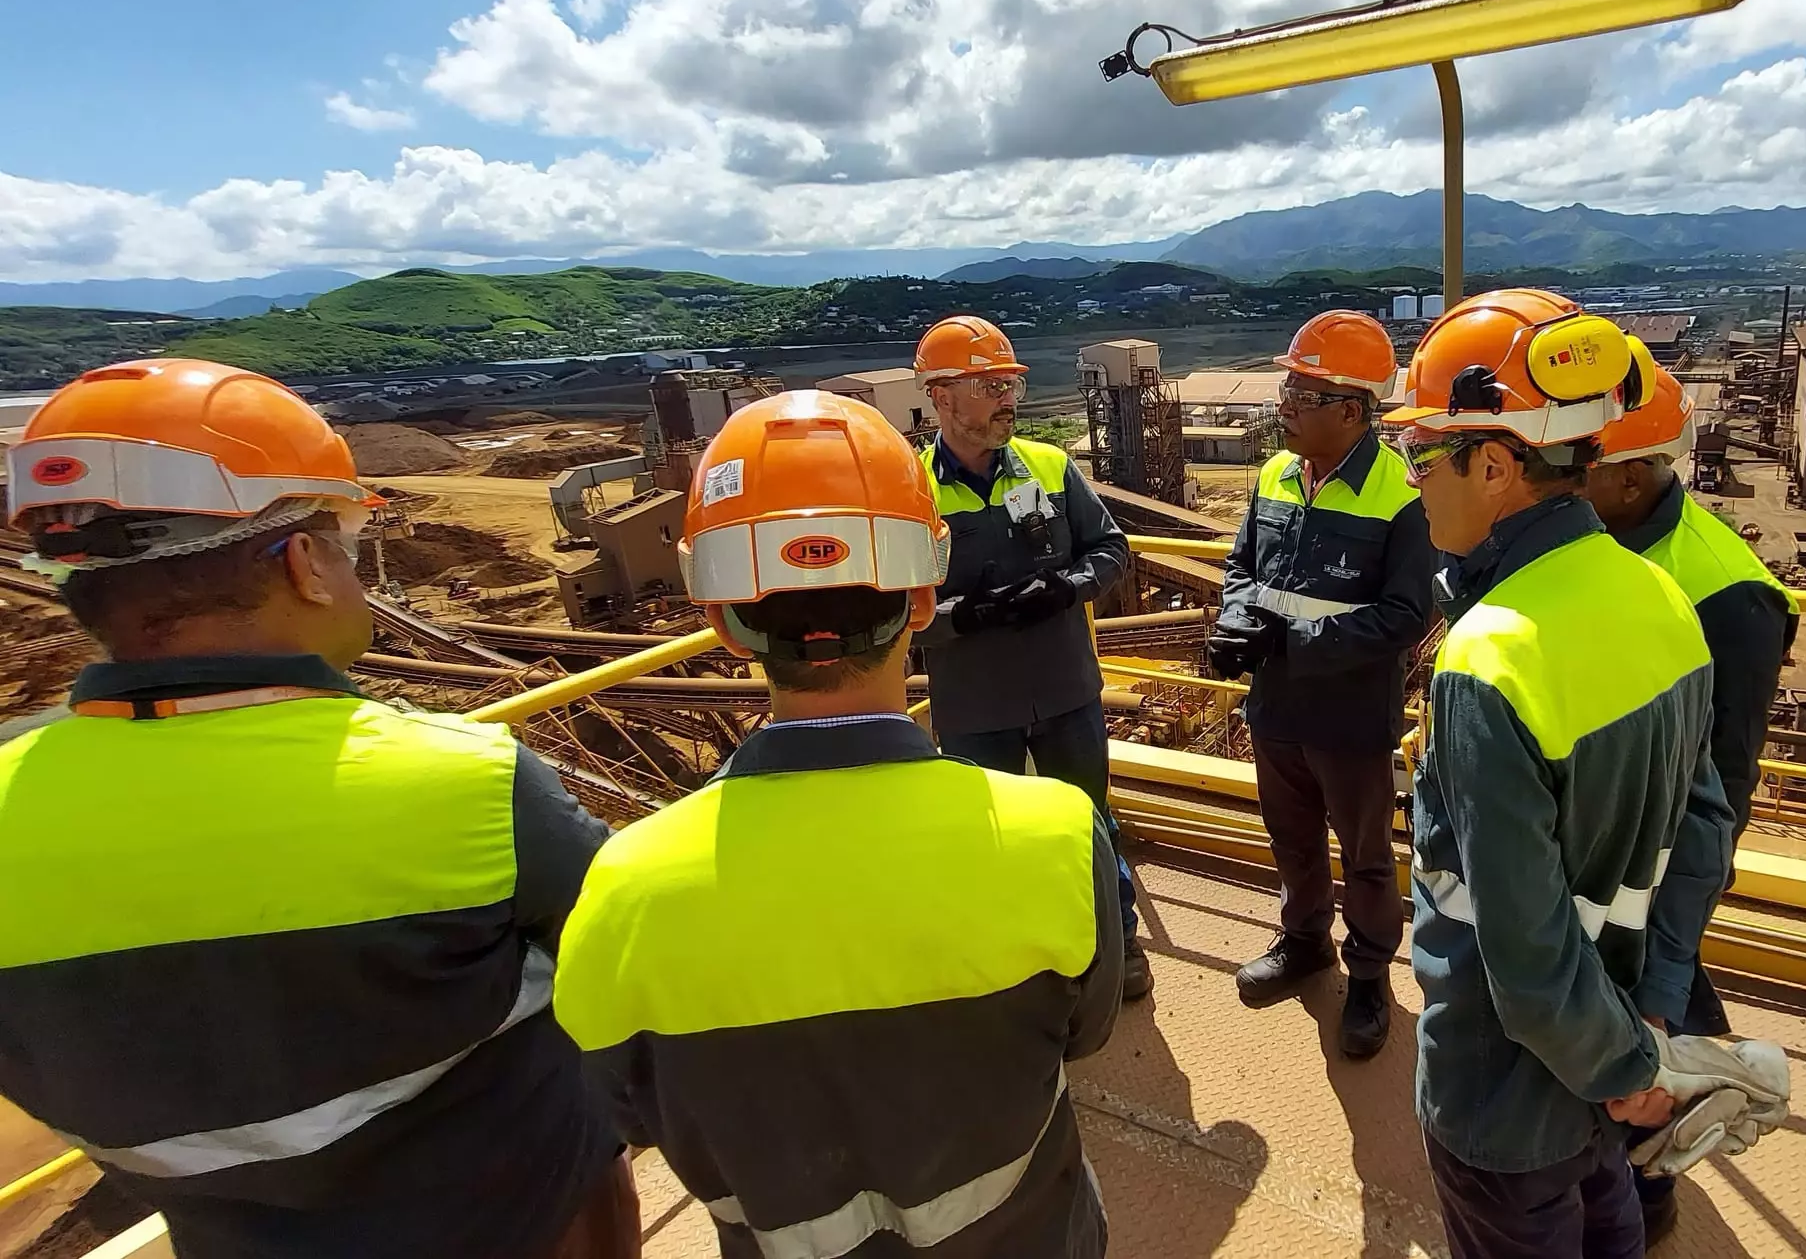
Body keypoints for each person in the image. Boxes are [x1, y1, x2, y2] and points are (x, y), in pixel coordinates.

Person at [0, 360, 632, 1259]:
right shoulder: (467, 784)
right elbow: (631, 956)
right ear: (303, 561)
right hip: (523, 1223)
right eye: (341, 542)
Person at [553, 389, 1122, 1259]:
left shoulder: (625, 888)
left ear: (723, 619)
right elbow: (1086, 1030)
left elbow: (624, 1107)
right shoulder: (1054, 834)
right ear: (922, 601)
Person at [1382, 292, 1734, 1259]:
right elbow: (1703, 833)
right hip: (1623, 1030)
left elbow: (1528, 961)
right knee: (1609, 1227)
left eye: (1423, 454)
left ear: (1495, 464)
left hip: (1504, 1088)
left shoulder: (1492, 657)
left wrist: (1628, 1070)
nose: (1413, 482)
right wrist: (1651, 1017)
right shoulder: (1658, 594)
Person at [1584, 369, 1798, 1246]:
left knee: (1652, 1003)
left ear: (1631, 477)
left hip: (1665, 852)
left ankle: (1656, 1173)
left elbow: (1725, 775)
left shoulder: (1723, 589)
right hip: (1603, 835)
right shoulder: (1602, 541)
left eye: (1576, 465)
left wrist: (1673, 913)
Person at [1208, 310, 1433, 1056]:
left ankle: (1370, 974)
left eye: (1301, 395)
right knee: (1293, 840)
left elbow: (1405, 616)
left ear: (1350, 409)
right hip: (1276, 708)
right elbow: (1242, 566)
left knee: (1365, 855)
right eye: (1286, 389)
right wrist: (1237, 623)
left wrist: (1294, 639)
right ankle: (1304, 941)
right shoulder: (1275, 473)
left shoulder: (1401, 493)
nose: (1284, 406)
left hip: (1349, 719)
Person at [910, 314, 1147, 1000]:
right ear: (943, 397)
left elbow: (1111, 549)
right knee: (992, 838)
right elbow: (899, 611)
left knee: (1089, 820)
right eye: (991, 386)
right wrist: (966, 616)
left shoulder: (1048, 467)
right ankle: (1018, 953)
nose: (1009, 398)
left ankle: (1118, 939)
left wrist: (1067, 586)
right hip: (976, 708)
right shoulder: (912, 492)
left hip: (1065, 691)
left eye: (1011, 382)